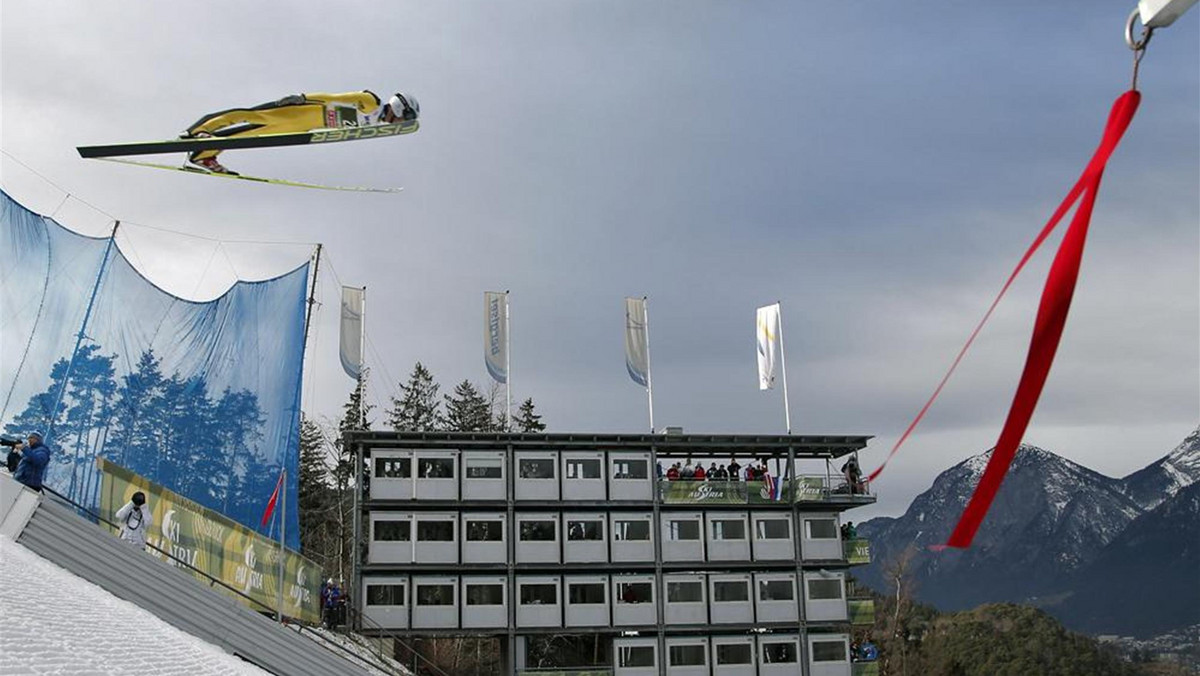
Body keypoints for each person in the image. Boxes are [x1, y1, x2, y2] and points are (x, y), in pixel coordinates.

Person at [181, 90, 420, 175]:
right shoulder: (371, 102)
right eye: (405, 116)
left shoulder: (375, 125)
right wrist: (303, 98)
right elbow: (335, 98)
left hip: (303, 126)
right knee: (251, 115)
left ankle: (204, 155)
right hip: (302, 111)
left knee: (249, 135)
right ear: (399, 106)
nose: (402, 121)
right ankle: (199, 131)